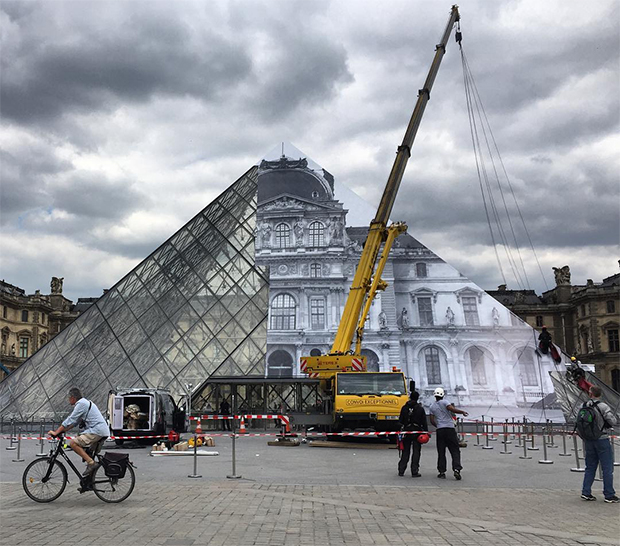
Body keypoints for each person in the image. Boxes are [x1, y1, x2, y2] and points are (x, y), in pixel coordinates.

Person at [47, 387, 110, 476]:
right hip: (100, 431)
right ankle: (89, 481)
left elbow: (70, 419)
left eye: (69, 398)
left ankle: (91, 463)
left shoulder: (81, 404)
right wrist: (62, 430)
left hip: (97, 431)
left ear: (73, 397)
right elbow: (74, 423)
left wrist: (56, 432)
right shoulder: (85, 403)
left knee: (73, 443)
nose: (68, 400)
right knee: (87, 452)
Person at [580, 386, 618, 503]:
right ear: (599, 394)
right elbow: (612, 421)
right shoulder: (603, 406)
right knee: (607, 468)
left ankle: (586, 492)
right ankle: (609, 494)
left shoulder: (583, 406)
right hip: (602, 438)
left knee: (590, 467)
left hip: (588, 439)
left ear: (590, 394)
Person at [429, 387, 468, 480]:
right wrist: (462, 412)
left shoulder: (432, 406)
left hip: (440, 430)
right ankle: (456, 469)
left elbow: (431, 420)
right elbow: (451, 409)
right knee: (455, 450)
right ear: (442, 395)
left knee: (441, 452)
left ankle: (442, 472)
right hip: (450, 429)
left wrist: (438, 425)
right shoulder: (445, 402)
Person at [398, 391, 427, 477]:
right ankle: (414, 471)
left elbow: (400, 421)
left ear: (410, 397)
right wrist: (426, 432)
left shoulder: (404, 408)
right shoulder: (420, 409)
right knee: (416, 452)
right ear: (417, 398)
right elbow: (424, 422)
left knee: (405, 451)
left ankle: (401, 470)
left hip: (406, 431)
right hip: (417, 432)